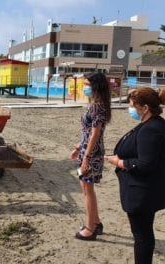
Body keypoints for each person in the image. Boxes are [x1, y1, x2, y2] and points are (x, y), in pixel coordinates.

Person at [105, 87, 165, 263]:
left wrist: (119, 162)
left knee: (142, 237)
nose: (129, 109)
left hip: (142, 192)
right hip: (146, 190)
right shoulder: (154, 124)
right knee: (144, 234)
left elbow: (146, 164)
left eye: (132, 105)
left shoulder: (150, 129)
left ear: (145, 108)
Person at [69, 72, 111, 240]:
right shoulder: (94, 105)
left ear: (96, 87)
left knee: (88, 191)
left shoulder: (98, 107)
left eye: (87, 84)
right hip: (87, 151)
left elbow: (95, 134)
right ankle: (96, 223)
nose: (84, 87)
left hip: (92, 155)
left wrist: (86, 157)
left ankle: (90, 229)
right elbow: (87, 133)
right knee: (86, 189)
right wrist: (79, 147)